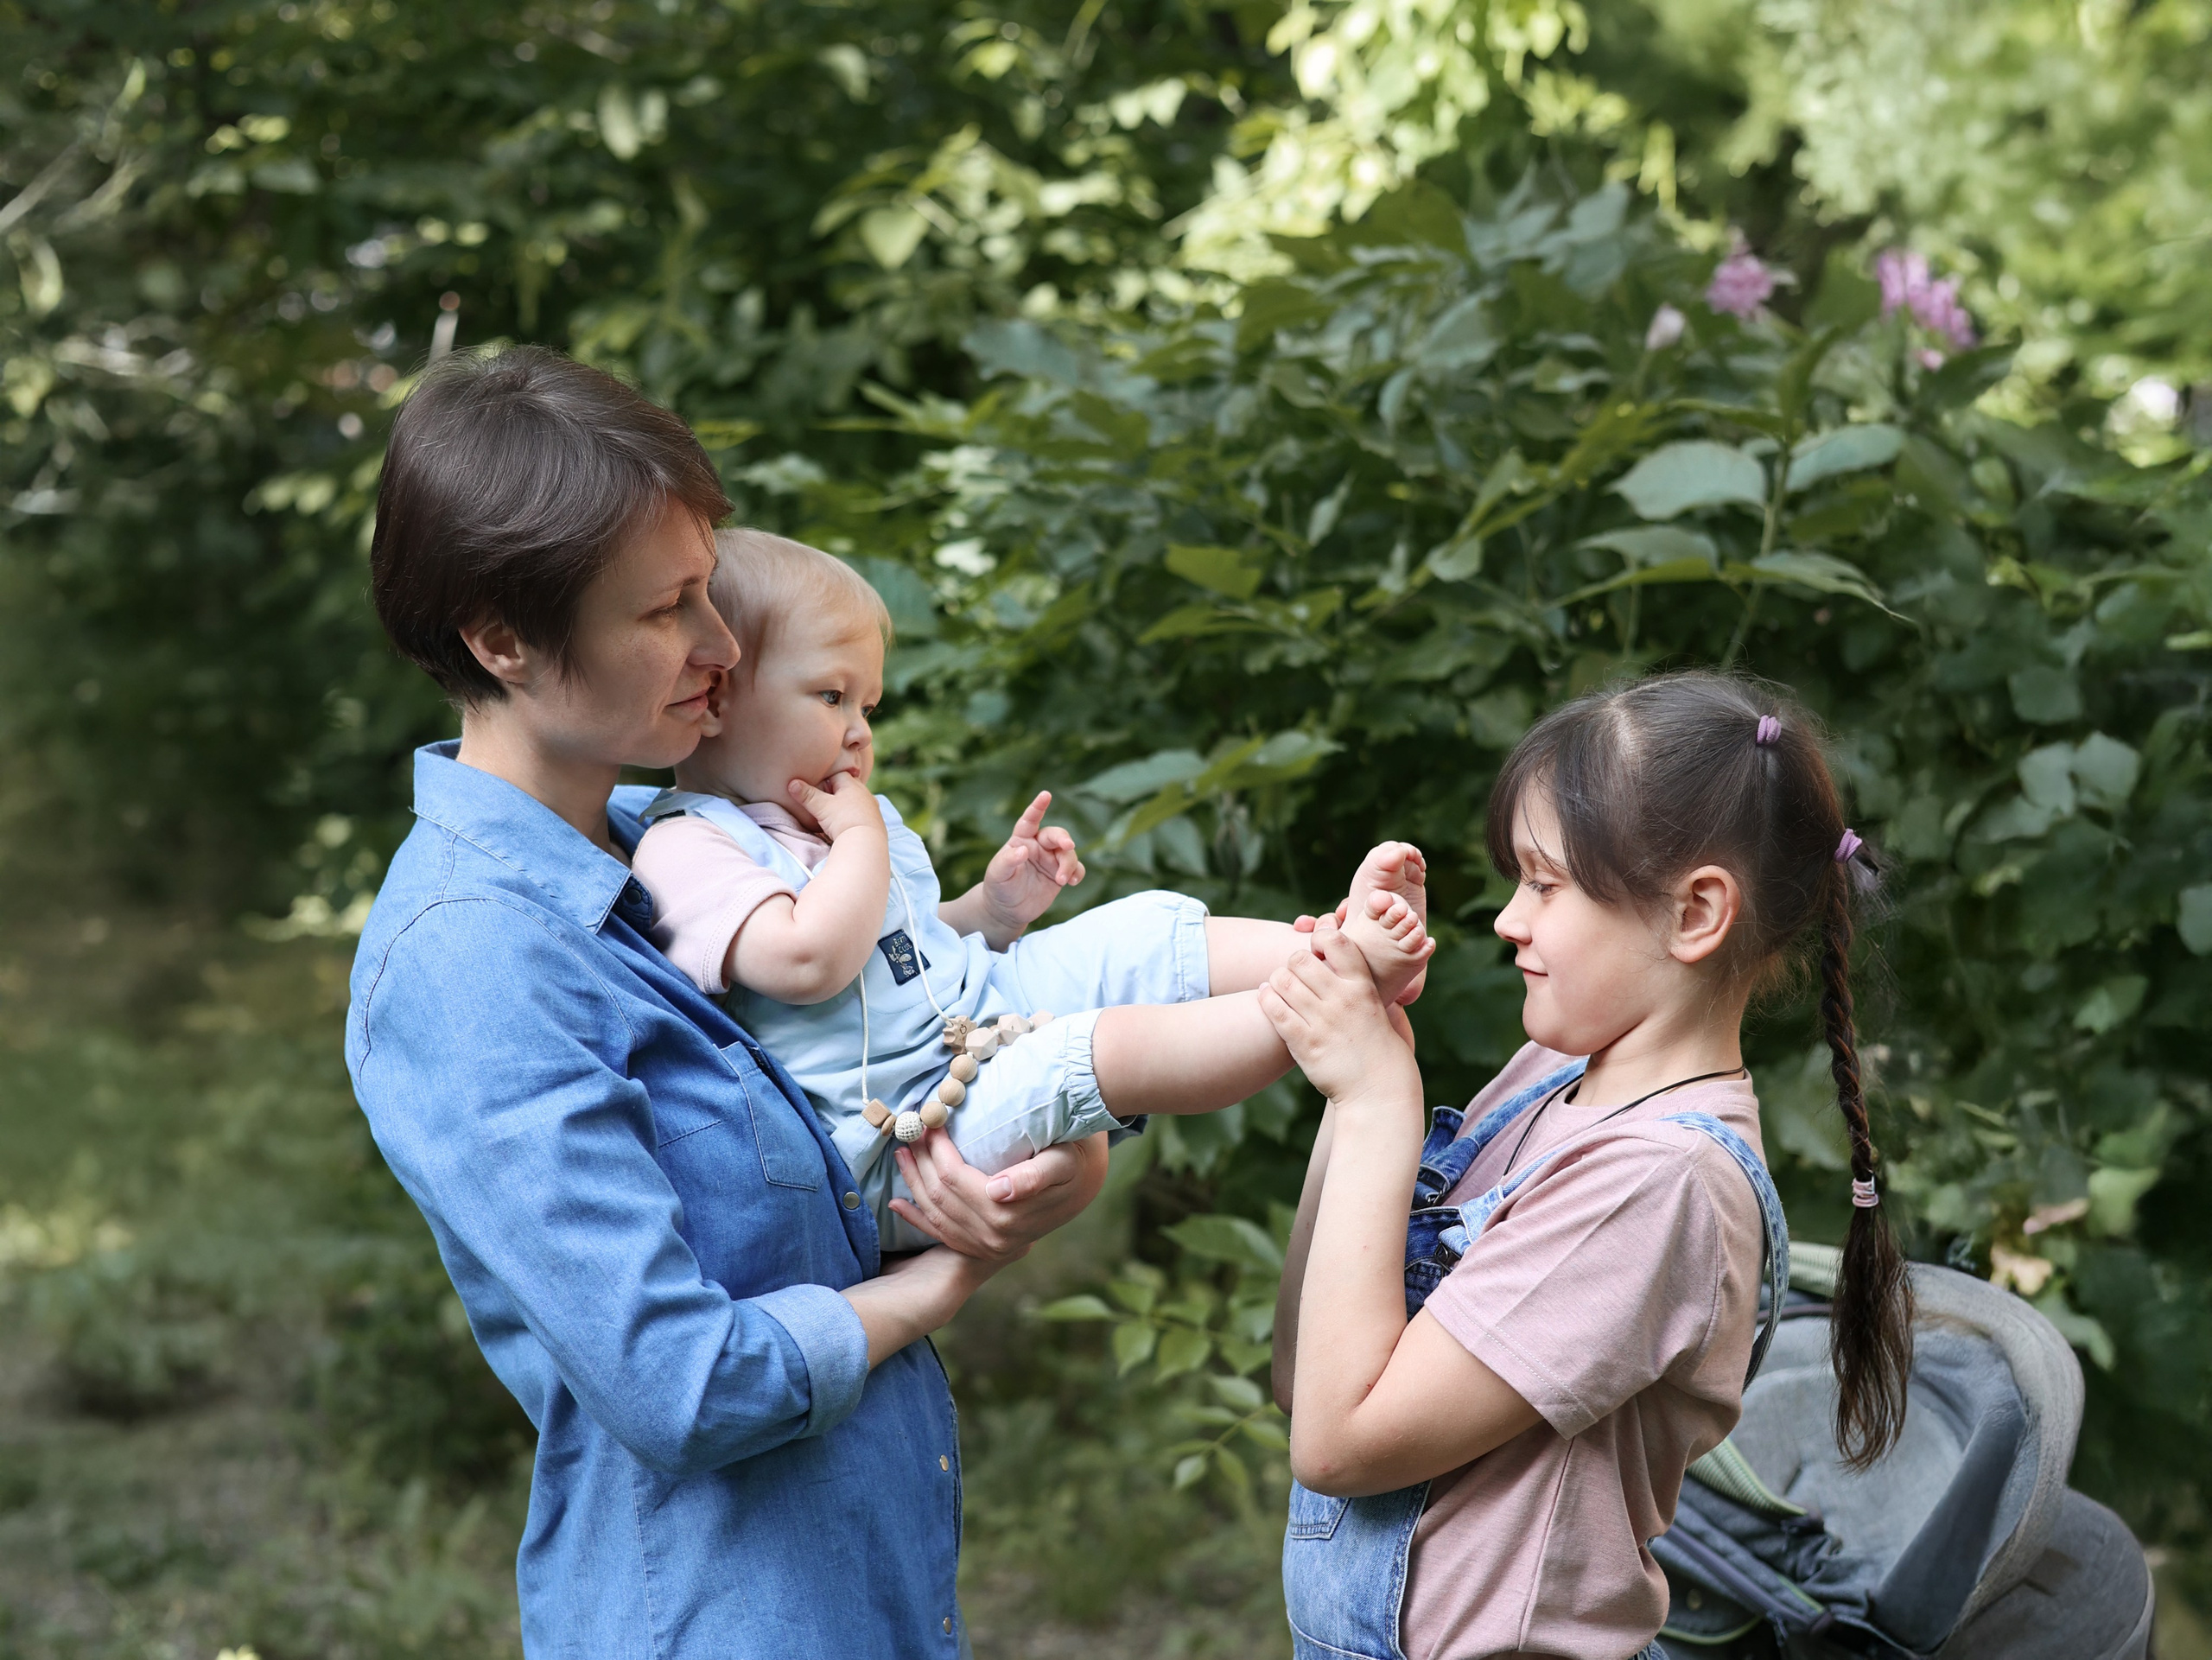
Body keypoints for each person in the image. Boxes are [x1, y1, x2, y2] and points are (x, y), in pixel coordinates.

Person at [346, 345, 1109, 1658]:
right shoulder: (470, 959)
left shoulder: (715, 849)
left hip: (872, 1580)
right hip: (715, 1615)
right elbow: (678, 1380)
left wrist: (1031, 1173)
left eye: (712, 591)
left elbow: (921, 1067)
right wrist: (949, 1284)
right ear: (502, 638)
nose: (720, 645)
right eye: (664, 612)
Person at [1261, 671, 1915, 1660]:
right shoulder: (1551, 1078)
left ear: (1695, 914)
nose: (1507, 920)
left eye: (1545, 882)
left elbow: (1338, 1444)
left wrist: (1375, 1100)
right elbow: (1301, 1378)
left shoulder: (1665, 1184)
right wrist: (1368, 1050)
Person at [628, 529, 1436, 1248]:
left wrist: (992, 911)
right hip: (907, 1139)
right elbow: (808, 962)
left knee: (1137, 929)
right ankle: (1334, 999)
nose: (860, 730)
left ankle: (1326, 948)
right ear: (719, 695)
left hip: (979, 1018)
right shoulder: (688, 844)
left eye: (869, 705)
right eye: (831, 695)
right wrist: (861, 838)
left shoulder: (842, 824)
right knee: (1094, 1048)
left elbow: (905, 952)